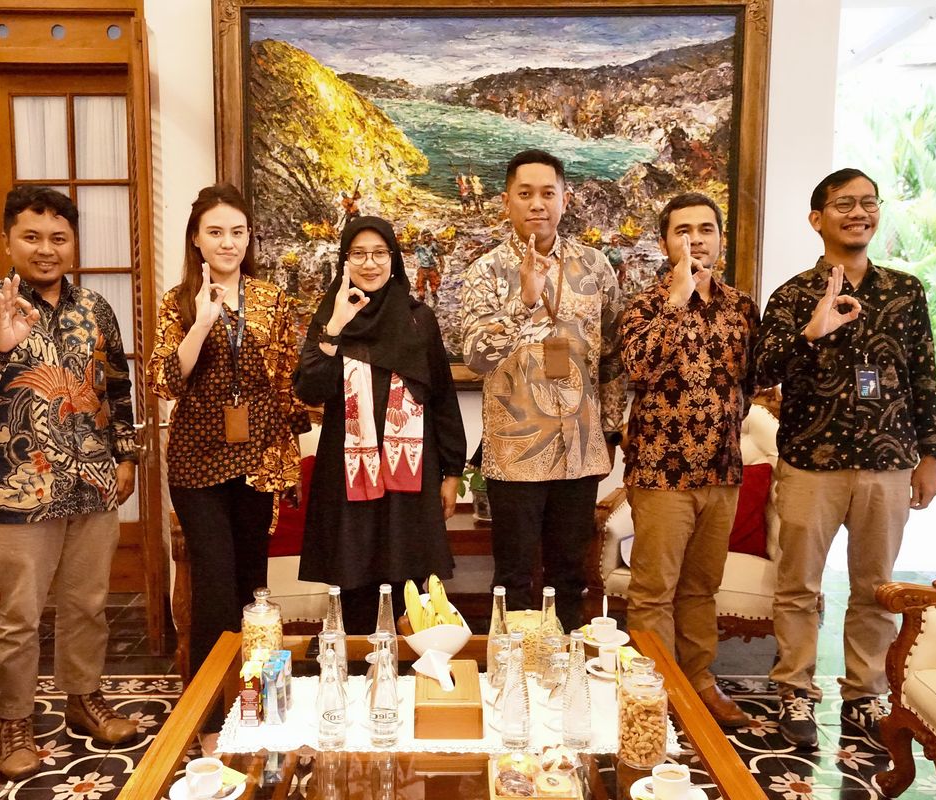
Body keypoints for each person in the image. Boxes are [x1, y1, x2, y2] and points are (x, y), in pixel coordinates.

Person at [0, 186, 139, 780]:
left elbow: (117, 387)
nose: (46, 249)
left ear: (73, 244)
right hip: (18, 490)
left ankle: (84, 698)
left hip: (93, 483)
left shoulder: (96, 308)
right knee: (18, 616)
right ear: (8, 241)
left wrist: (126, 457)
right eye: (31, 236)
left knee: (88, 605)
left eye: (58, 238)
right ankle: (14, 720)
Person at [754, 168, 936, 748]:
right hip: (812, 461)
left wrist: (931, 455)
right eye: (844, 204)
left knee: (875, 588)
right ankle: (794, 690)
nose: (858, 213)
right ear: (817, 219)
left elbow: (923, 376)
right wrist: (810, 331)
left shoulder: (905, 291)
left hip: (888, 460)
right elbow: (761, 372)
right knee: (798, 586)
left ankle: (865, 694)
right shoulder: (791, 295)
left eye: (868, 202)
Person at [145, 183, 310, 751]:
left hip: (258, 459)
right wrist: (201, 321)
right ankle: (208, 719)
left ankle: (254, 703)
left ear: (249, 238)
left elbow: (287, 384)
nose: (227, 242)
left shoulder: (272, 300)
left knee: (251, 590)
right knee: (214, 587)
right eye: (215, 232)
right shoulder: (177, 302)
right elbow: (165, 382)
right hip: (197, 464)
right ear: (196, 239)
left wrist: (289, 462)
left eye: (237, 232)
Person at [460, 149, 627, 631]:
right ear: (506, 201)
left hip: (580, 447)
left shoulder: (595, 266)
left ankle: (568, 666)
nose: (538, 204)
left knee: (570, 576)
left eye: (548, 193)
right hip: (515, 450)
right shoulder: (486, 271)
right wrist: (524, 301)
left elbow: (614, 355)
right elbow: (475, 356)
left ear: (564, 199)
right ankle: (513, 670)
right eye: (525, 193)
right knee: (513, 579)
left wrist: (610, 430)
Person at [618, 193, 760, 728]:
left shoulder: (742, 307)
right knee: (653, 592)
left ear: (720, 239)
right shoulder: (643, 306)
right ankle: (658, 689)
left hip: (722, 471)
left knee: (701, 589)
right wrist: (677, 300)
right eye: (682, 230)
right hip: (661, 473)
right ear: (664, 243)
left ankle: (699, 681)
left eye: (705, 229)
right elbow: (638, 368)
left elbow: (749, 383)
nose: (695, 239)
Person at [295, 216, 465, 633]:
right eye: (358, 254)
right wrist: (335, 326)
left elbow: (441, 397)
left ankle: (410, 665)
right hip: (347, 477)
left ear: (393, 259)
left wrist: (452, 472)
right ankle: (356, 662)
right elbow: (310, 389)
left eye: (378, 253)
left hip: (410, 478)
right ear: (344, 260)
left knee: (410, 586)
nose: (369, 264)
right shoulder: (329, 316)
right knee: (353, 578)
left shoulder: (418, 319)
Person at [413, 229, 445, 304]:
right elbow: (411, 249)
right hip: (422, 267)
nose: (427, 238)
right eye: (425, 237)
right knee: (420, 282)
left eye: (428, 236)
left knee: (434, 281)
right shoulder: (418, 246)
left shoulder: (433, 245)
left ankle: (434, 294)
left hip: (432, 267)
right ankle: (421, 296)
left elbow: (440, 254)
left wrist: (442, 265)